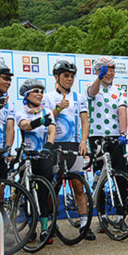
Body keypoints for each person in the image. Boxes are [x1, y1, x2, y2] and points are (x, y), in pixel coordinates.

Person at [44, 60, 94, 240]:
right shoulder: (47, 97)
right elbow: (45, 120)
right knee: (53, 188)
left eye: (72, 76)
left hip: (73, 145)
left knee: (79, 186)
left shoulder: (79, 97)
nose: (70, 79)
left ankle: (84, 224)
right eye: (66, 76)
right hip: (55, 145)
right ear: (56, 77)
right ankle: (52, 223)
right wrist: (58, 109)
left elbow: (85, 121)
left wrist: (83, 141)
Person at [86, 56, 128, 237]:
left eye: (112, 70)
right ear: (98, 71)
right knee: (100, 177)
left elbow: (122, 111)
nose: (110, 73)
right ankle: (102, 217)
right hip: (97, 137)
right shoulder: (92, 87)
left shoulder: (119, 90)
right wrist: (99, 78)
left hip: (115, 138)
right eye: (106, 70)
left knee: (120, 175)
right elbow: (91, 93)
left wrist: (123, 134)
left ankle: (121, 217)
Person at [15, 79, 56, 243]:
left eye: (41, 91)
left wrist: (48, 146)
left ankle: (45, 229)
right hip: (27, 159)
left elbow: (52, 131)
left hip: (43, 157)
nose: (40, 94)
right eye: (36, 91)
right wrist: (39, 121)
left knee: (43, 194)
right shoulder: (21, 113)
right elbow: (25, 126)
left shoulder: (47, 111)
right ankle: (31, 229)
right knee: (29, 196)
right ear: (27, 95)